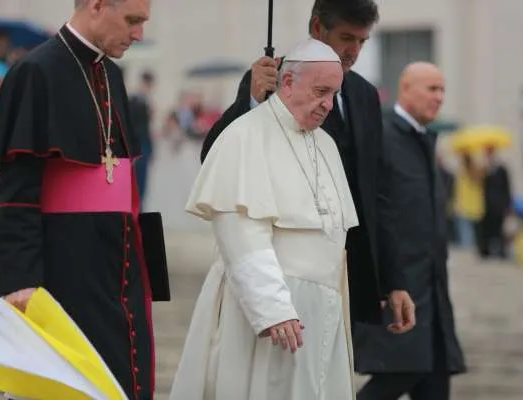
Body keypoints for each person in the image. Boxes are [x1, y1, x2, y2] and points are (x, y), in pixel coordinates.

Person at [200, 0, 415, 354]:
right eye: (347, 37)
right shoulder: (271, 80)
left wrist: (393, 281)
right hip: (286, 268)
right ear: (317, 28)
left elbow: (377, 195)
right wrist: (253, 102)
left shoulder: (363, 95)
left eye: (362, 41)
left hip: (347, 273)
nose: (353, 51)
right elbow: (216, 155)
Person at [169, 38, 358, 400]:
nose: (327, 105)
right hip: (271, 313)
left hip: (321, 312)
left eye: (333, 94)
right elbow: (241, 232)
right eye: (320, 91)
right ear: (287, 82)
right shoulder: (244, 135)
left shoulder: (327, 144)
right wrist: (272, 308)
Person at [0, 1, 157, 398]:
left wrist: (150, 268)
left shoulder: (112, 75)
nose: (139, 35)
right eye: (133, 21)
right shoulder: (35, 72)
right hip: (66, 269)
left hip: (119, 267)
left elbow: (123, 183)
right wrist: (20, 281)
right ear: (97, 6)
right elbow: (16, 192)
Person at [355, 62, 466, 400]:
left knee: (434, 382)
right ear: (405, 89)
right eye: (431, 89)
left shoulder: (423, 140)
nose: (439, 97)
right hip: (399, 292)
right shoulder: (384, 136)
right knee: (399, 373)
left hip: (432, 296)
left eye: (442, 90)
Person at [480, 146, 512, 258]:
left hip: (499, 205)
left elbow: (507, 188)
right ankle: (486, 251)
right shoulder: (484, 170)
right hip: (487, 205)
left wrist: (507, 205)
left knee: (499, 229)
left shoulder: (501, 169)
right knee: (487, 229)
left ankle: (501, 251)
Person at [129, 70, 155, 205]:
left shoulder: (146, 100)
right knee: (138, 178)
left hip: (145, 143)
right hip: (138, 144)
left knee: (143, 180)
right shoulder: (135, 100)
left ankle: (140, 206)